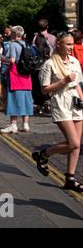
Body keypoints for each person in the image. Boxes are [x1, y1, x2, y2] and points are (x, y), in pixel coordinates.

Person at [33, 32, 83, 192]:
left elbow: (77, 85)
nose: (71, 47)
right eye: (68, 44)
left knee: (76, 146)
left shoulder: (74, 61)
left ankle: (70, 178)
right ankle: (44, 154)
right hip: (60, 102)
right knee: (73, 142)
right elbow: (44, 90)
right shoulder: (50, 64)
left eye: (72, 44)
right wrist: (63, 81)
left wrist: (82, 100)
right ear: (59, 44)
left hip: (75, 102)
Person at [0, 26, 33, 133]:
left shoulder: (13, 44)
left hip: (15, 75)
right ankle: (25, 124)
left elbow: (12, 60)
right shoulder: (27, 44)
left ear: (14, 34)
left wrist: (2, 58)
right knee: (26, 99)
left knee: (13, 99)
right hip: (26, 76)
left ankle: (13, 125)